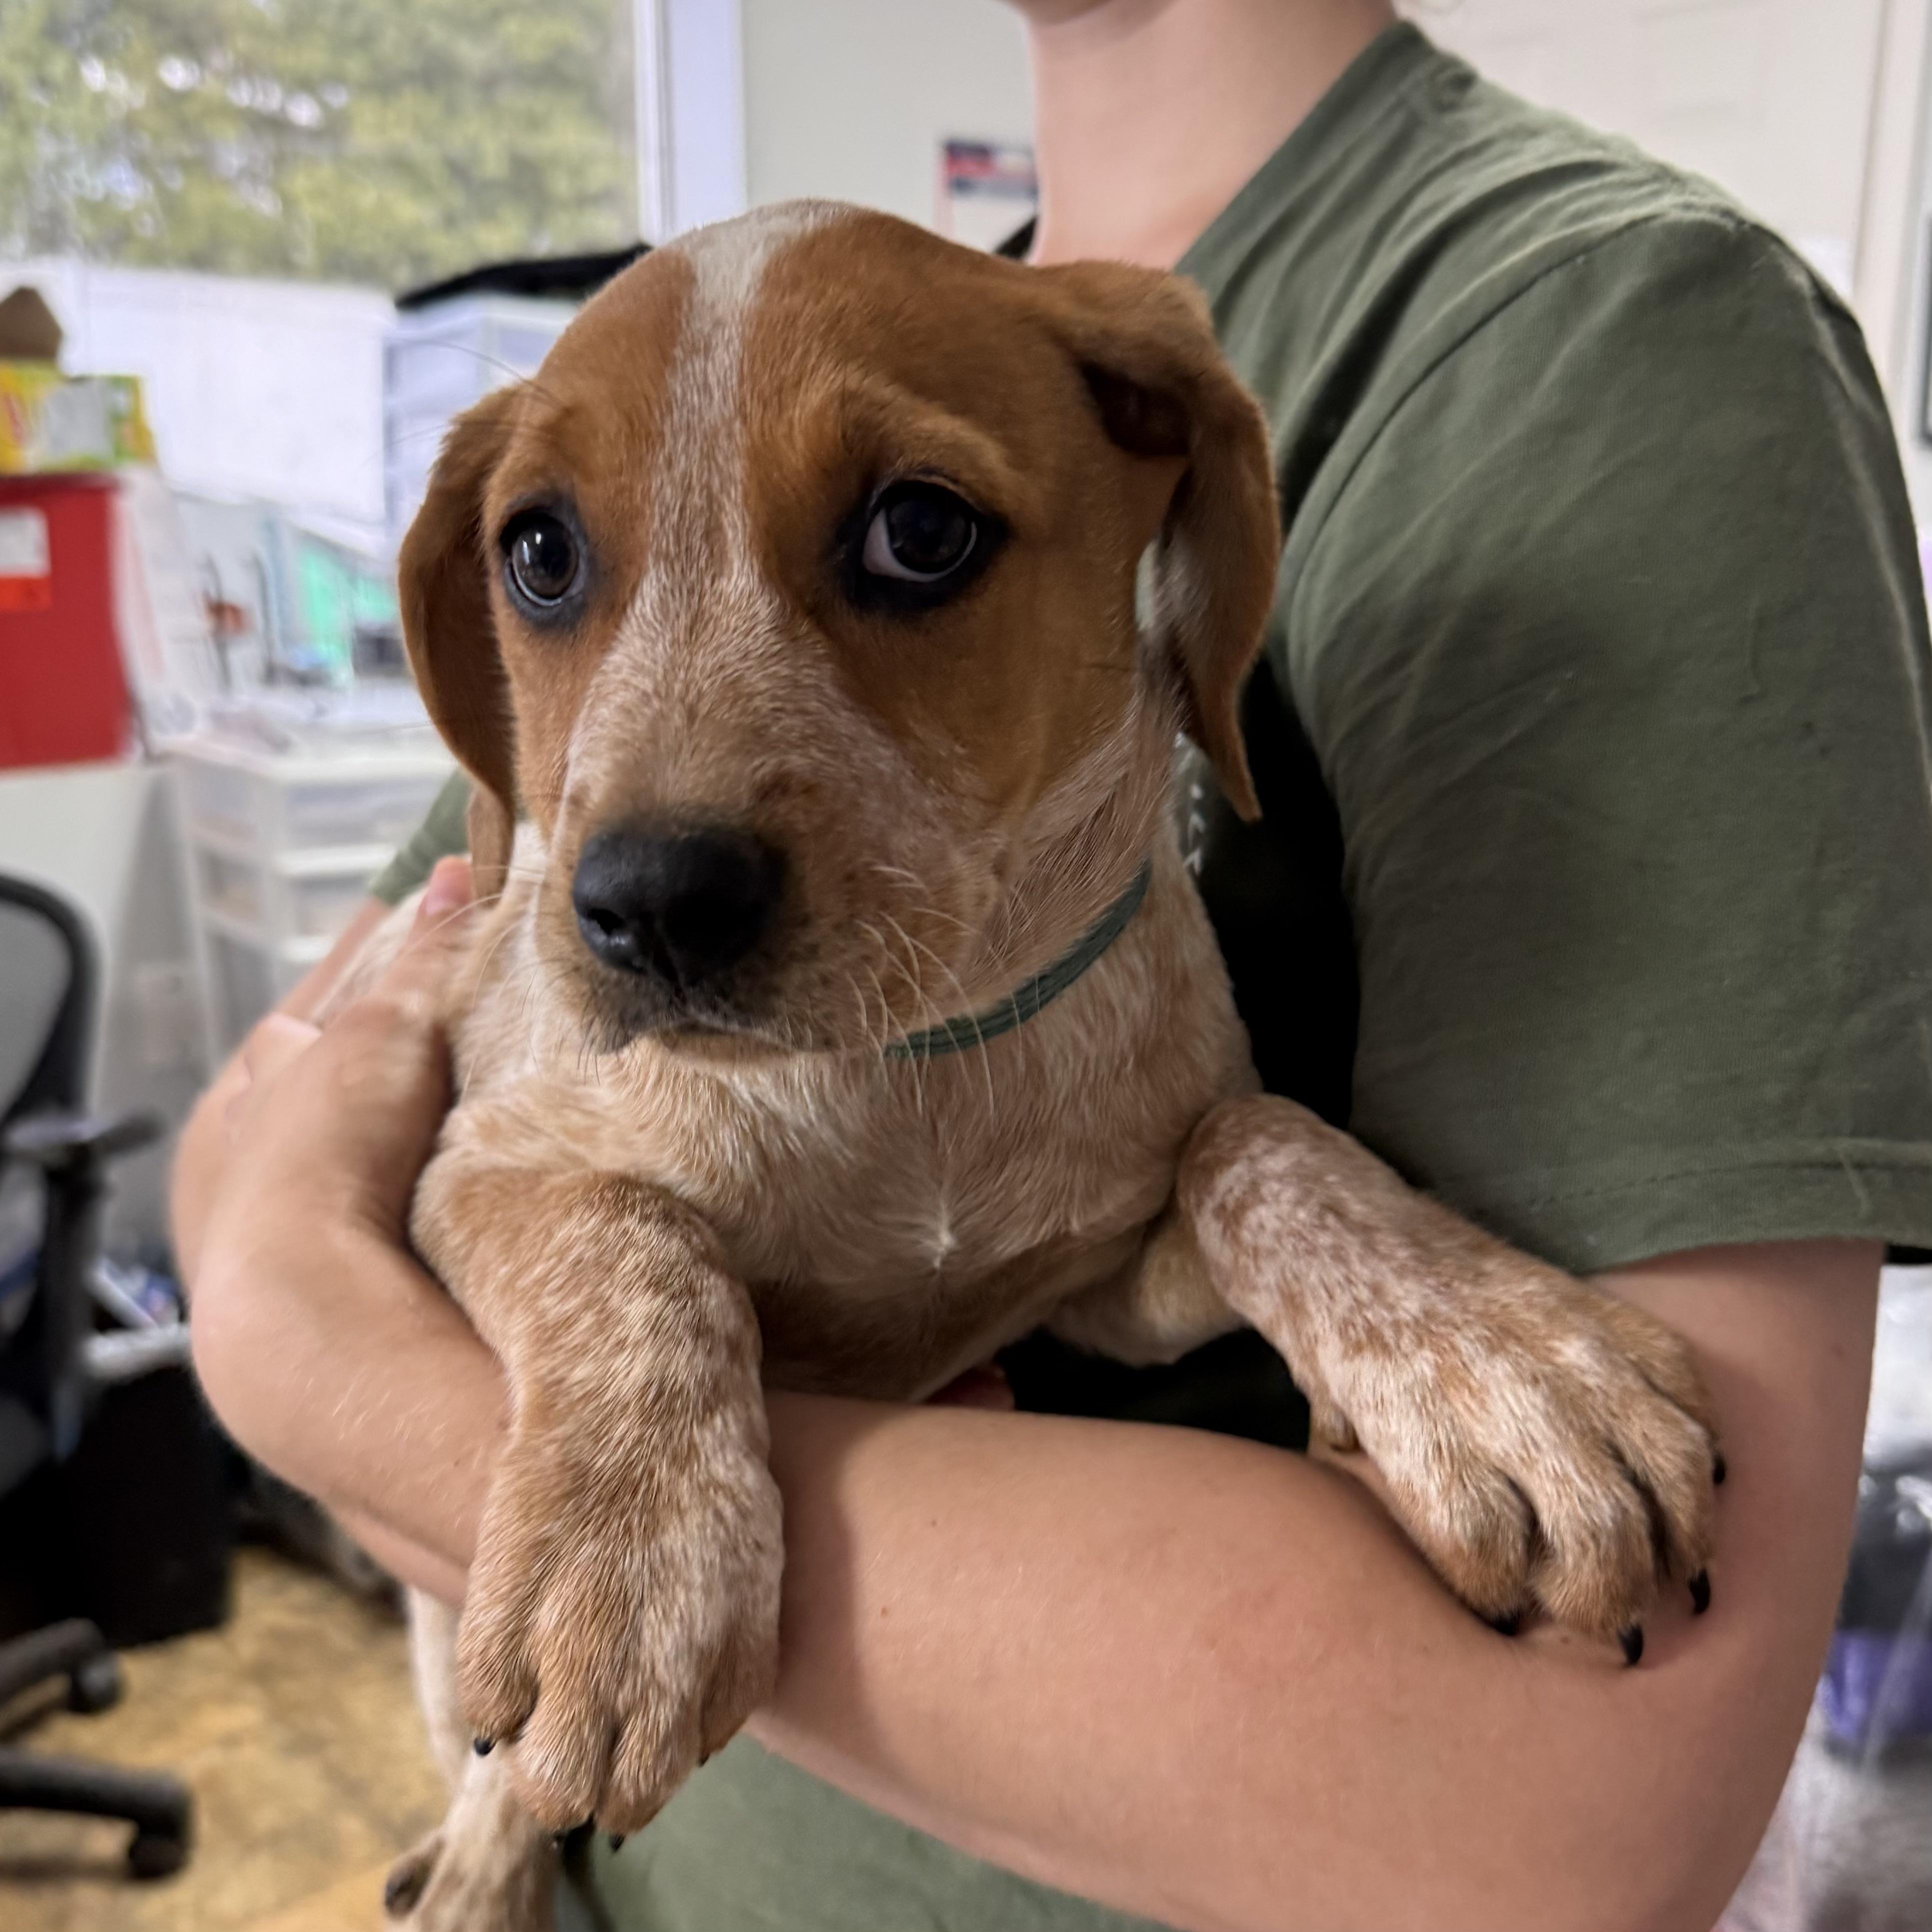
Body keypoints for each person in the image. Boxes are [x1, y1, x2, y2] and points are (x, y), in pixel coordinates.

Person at [175, 1, 1932, 1927]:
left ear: (1191, 559)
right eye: (546, 565)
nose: (642, 848)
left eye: (913, 535)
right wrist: (402, 1312)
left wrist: (305, 1351)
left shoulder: (1592, 335)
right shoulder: (870, 368)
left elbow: (1565, 1831)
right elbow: (304, 1120)